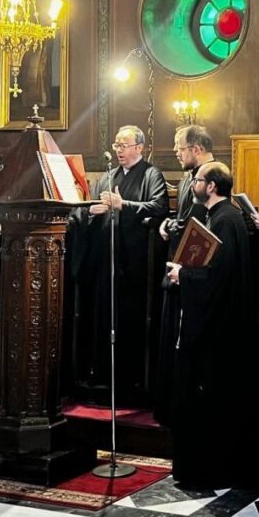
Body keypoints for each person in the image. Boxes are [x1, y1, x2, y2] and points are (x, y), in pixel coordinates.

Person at [164, 161, 254, 487]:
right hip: (218, 324)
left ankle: (206, 470)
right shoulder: (221, 217)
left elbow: (217, 276)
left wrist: (182, 275)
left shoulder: (224, 220)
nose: (193, 185)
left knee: (208, 401)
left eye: (197, 180)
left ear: (212, 186)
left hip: (216, 330)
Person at [70, 125, 167, 405]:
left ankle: (129, 381)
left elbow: (158, 207)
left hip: (134, 262)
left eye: (124, 145)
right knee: (103, 315)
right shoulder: (107, 176)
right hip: (105, 259)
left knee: (128, 319)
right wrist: (92, 210)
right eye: (116, 145)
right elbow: (89, 208)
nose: (119, 150)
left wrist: (123, 204)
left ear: (140, 147)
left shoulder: (151, 174)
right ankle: (101, 376)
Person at [153, 125, 216, 422]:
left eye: (179, 148)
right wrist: (169, 223)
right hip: (178, 267)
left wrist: (172, 225)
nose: (176, 153)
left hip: (192, 271)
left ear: (196, 149)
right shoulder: (191, 176)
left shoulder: (209, 178)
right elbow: (182, 216)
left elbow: (198, 222)